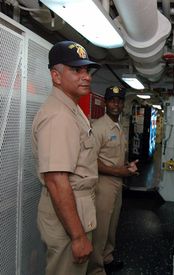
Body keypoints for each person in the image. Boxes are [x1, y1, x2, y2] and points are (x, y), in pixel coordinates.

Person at [32, 40, 100, 275]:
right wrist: (78, 237)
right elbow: (56, 180)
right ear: (56, 76)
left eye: (86, 70)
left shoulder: (71, 110)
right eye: (75, 70)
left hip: (77, 208)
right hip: (69, 216)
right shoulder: (59, 116)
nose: (86, 76)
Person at [87, 86, 139, 275]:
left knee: (112, 225)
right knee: (100, 229)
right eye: (112, 100)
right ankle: (95, 269)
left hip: (117, 183)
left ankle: (107, 259)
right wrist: (120, 171)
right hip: (103, 185)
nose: (116, 104)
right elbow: (92, 161)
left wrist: (128, 166)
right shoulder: (99, 127)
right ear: (106, 103)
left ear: (123, 103)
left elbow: (115, 157)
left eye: (119, 100)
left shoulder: (119, 126)